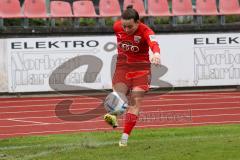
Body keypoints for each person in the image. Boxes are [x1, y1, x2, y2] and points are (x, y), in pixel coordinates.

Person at [104, 5, 161, 147]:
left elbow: (154, 43)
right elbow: (121, 27)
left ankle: (124, 138)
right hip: (122, 67)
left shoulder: (146, 31)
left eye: (129, 27)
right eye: (124, 26)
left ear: (137, 22)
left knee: (135, 101)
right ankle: (114, 114)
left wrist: (156, 54)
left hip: (141, 69)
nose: (126, 29)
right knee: (118, 97)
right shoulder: (117, 26)